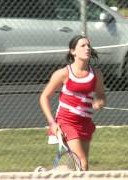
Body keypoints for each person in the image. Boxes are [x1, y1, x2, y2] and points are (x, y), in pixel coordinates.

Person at [39, 35, 106, 171]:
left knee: (76, 168)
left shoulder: (96, 74)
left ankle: (45, 175)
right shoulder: (63, 73)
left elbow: (101, 96)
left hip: (85, 124)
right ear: (73, 51)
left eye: (88, 45)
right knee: (82, 163)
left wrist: (99, 102)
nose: (87, 48)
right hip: (66, 122)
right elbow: (44, 97)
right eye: (82, 45)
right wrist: (53, 123)